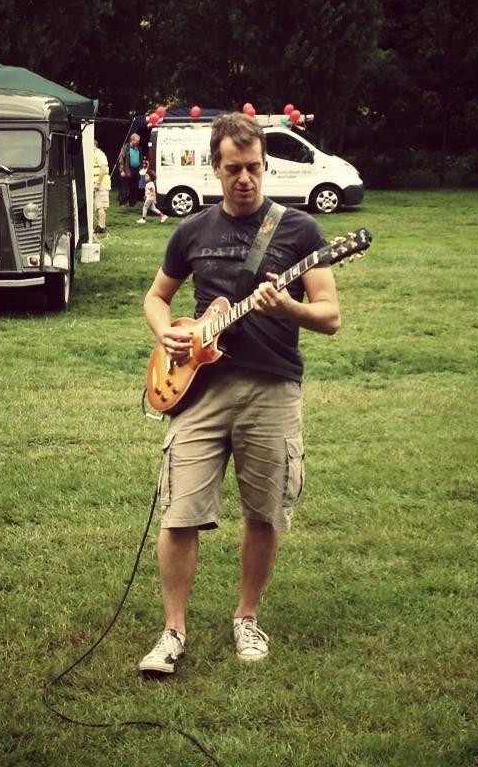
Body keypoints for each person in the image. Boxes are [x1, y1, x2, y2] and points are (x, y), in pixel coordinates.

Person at [139, 112, 341, 676]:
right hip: (199, 390)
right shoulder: (192, 231)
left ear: (265, 165)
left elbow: (330, 315)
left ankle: (246, 617)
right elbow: (156, 298)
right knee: (180, 512)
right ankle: (172, 631)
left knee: (264, 511)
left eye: (254, 167)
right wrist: (167, 332)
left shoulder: (299, 231)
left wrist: (290, 307)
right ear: (215, 168)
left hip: (271, 388)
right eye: (233, 169)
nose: (245, 178)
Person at [117, 132, 143, 206]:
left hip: (136, 169)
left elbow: (140, 157)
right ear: (132, 140)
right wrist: (122, 170)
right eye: (137, 141)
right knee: (125, 187)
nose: (138, 142)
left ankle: (132, 203)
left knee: (134, 187)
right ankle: (122, 202)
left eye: (138, 141)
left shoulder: (139, 148)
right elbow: (121, 159)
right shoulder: (125, 148)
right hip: (127, 169)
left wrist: (140, 166)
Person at [92, 139, 111, 234]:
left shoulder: (100, 154)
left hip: (101, 184)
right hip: (96, 184)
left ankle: (101, 226)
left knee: (101, 206)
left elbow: (103, 168)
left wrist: (98, 183)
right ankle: (99, 225)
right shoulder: (94, 154)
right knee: (97, 205)